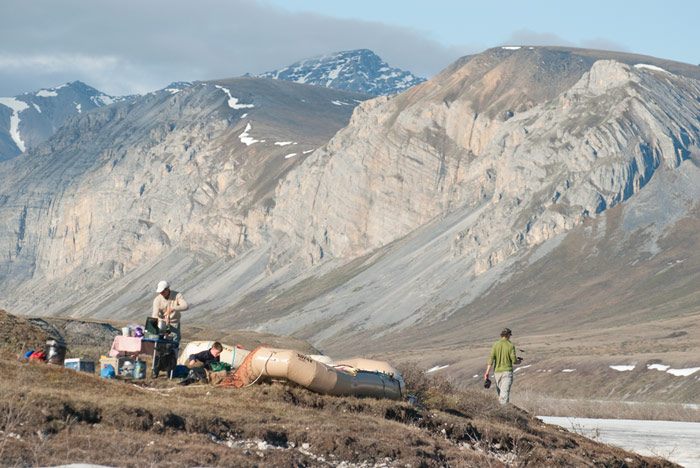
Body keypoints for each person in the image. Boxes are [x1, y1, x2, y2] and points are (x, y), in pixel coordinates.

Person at [484, 327, 522, 405]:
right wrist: (519, 362)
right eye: (510, 335)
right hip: (507, 373)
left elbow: (491, 359)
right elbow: (514, 361)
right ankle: (504, 413)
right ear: (508, 335)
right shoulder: (510, 345)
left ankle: (501, 412)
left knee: (500, 395)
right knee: (504, 395)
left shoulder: (495, 345)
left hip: (497, 373)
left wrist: (487, 373)